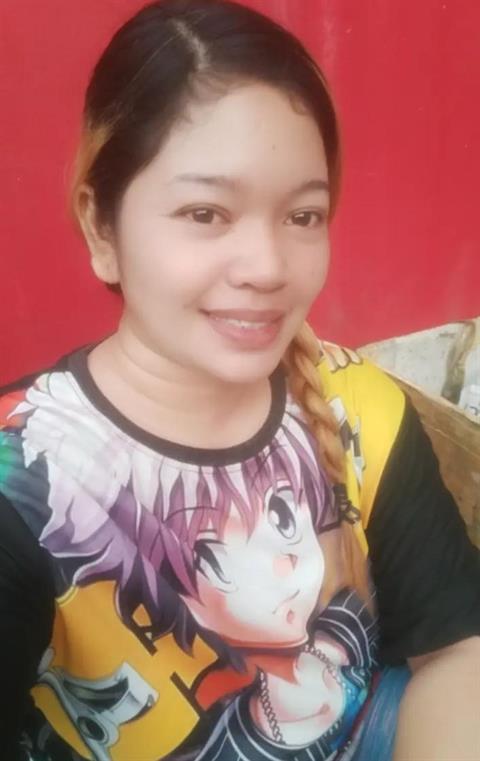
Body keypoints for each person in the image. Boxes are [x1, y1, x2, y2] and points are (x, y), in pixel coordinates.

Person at [0, 1, 479, 759]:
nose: (267, 268)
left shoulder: (361, 406)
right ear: (101, 225)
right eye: (205, 213)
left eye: (303, 216)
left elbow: (456, 649)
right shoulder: (26, 480)